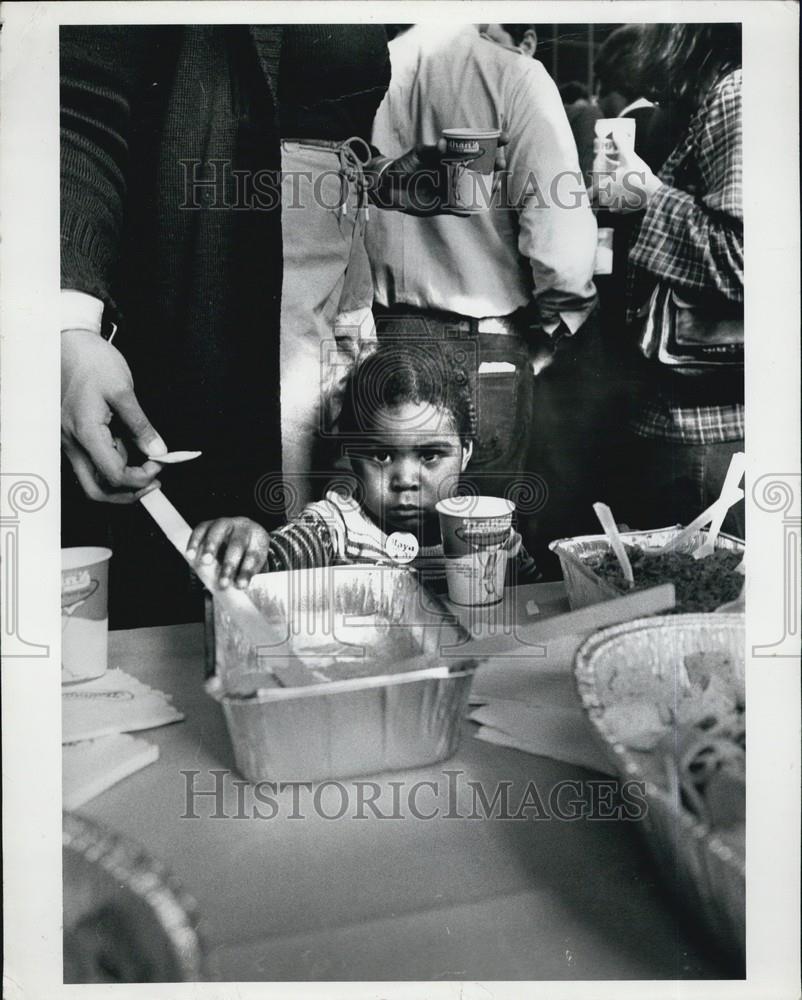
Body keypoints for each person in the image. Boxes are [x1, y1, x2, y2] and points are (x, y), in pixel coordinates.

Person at [60, 25, 475, 625]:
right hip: (247, 250)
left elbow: (305, 116)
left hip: (342, 255)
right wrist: (71, 320)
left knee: (345, 478)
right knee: (278, 511)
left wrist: (380, 177)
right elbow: (82, 104)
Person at [366, 23, 597, 553]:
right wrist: (560, 322)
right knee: (481, 559)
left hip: (379, 337)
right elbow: (561, 244)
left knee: (390, 553)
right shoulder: (513, 76)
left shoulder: (366, 70)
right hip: (485, 345)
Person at [186, 341, 539, 589]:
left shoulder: (490, 534)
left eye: (430, 455)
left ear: (465, 452)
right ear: (352, 457)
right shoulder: (333, 528)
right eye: (381, 456)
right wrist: (248, 544)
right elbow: (274, 561)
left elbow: (533, 608)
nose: (404, 479)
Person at [599, 24, 744, 537]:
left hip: (709, 432)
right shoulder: (713, 94)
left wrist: (648, 196)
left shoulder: (735, 93)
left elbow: (747, 261)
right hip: (689, 424)